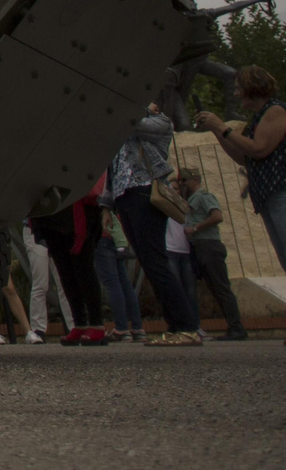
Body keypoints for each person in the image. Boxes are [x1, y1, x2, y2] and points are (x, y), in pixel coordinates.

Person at [196, 65, 286, 347]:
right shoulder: (261, 116)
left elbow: (259, 148)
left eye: (239, 88)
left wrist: (222, 126)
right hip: (275, 197)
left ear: (252, 87)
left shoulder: (275, 111)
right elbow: (244, 156)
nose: (236, 94)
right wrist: (216, 131)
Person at [100, 103, 201, 346]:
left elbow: (133, 123)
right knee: (148, 262)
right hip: (124, 197)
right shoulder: (118, 132)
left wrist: (138, 106)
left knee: (156, 262)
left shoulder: (159, 122)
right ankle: (175, 327)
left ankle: (187, 327)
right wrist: (106, 206)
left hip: (145, 192)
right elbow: (112, 170)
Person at [31, 174, 110, 345]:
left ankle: (96, 324)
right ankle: (80, 323)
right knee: (65, 272)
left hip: (77, 206)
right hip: (51, 208)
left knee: (84, 269)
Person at [179, 167, 248, 340]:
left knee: (222, 288)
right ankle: (232, 327)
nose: (182, 184)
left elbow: (217, 216)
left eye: (185, 180)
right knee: (215, 289)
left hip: (209, 245)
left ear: (195, 180)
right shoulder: (190, 200)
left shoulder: (204, 196)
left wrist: (195, 228)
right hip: (199, 247)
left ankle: (237, 328)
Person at [95, 205, 145, 340]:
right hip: (116, 235)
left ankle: (122, 328)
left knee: (112, 283)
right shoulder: (112, 194)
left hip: (102, 234)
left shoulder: (99, 195)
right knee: (124, 283)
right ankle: (137, 328)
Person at [23, 221, 75, 341]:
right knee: (40, 283)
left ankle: (73, 326)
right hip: (33, 228)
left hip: (54, 227)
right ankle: (38, 330)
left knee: (64, 282)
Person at [164, 208, 202, 337]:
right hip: (169, 248)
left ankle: (195, 325)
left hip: (186, 250)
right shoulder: (164, 205)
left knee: (190, 291)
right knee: (175, 288)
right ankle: (178, 325)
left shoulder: (186, 206)